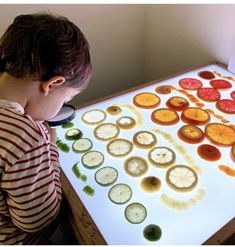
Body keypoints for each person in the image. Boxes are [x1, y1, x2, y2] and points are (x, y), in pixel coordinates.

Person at [0, 12, 92, 244]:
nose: (62, 105)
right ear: (52, 84)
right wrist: (49, 147)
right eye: (65, 99)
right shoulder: (27, 138)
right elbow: (38, 219)